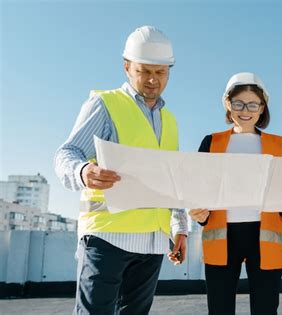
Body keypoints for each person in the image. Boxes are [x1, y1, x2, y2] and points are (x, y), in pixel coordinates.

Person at [54, 26, 187, 314]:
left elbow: (173, 181)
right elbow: (67, 153)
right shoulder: (104, 105)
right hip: (107, 238)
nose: (153, 80)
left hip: (152, 242)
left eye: (161, 72)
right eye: (144, 71)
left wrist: (180, 229)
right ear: (127, 67)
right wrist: (82, 172)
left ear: (169, 71)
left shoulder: (171, 120)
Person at [189, 72, 282, 315]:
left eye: (252, 104)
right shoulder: (210, 142)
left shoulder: (276, 145)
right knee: (219, 309)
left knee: (265, 309)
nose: (245, 110)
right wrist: (198, 213)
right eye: (238, 103)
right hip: (222, 238)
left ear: (262, 107)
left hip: (263, 239)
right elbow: (198, 190)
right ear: (228, 104)